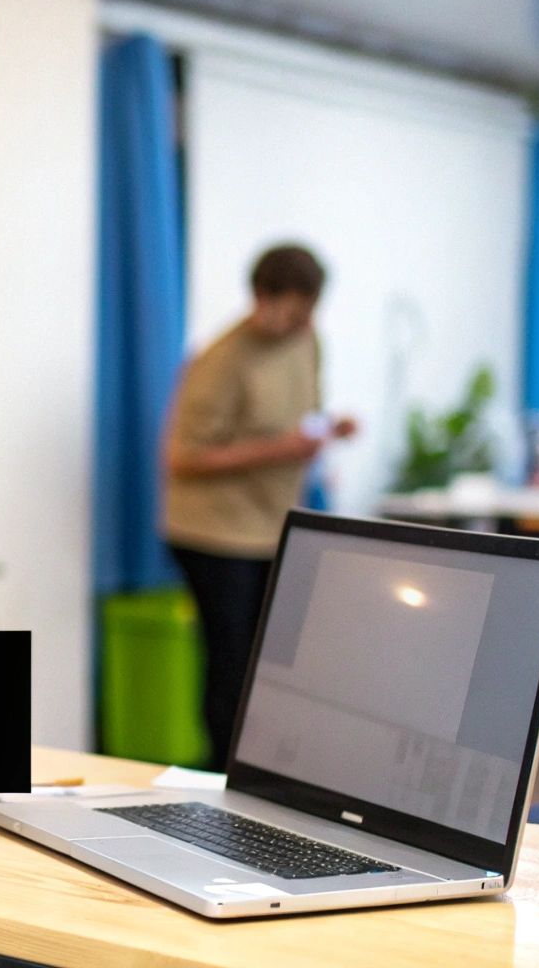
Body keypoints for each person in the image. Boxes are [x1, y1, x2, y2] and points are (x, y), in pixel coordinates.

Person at [162, 244, 354, 770]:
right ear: (261, 298)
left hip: (273, 526)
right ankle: (225, 772)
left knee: (275, 663)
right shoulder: (221, 360)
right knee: (233, 662)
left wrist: (329, 430)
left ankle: (265, 771)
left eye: (310, 312)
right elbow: (181, 457)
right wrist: (279, 450)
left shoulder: (306, 340)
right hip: (213, 532)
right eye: (292, 312)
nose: (302, 323)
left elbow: (300, 417)